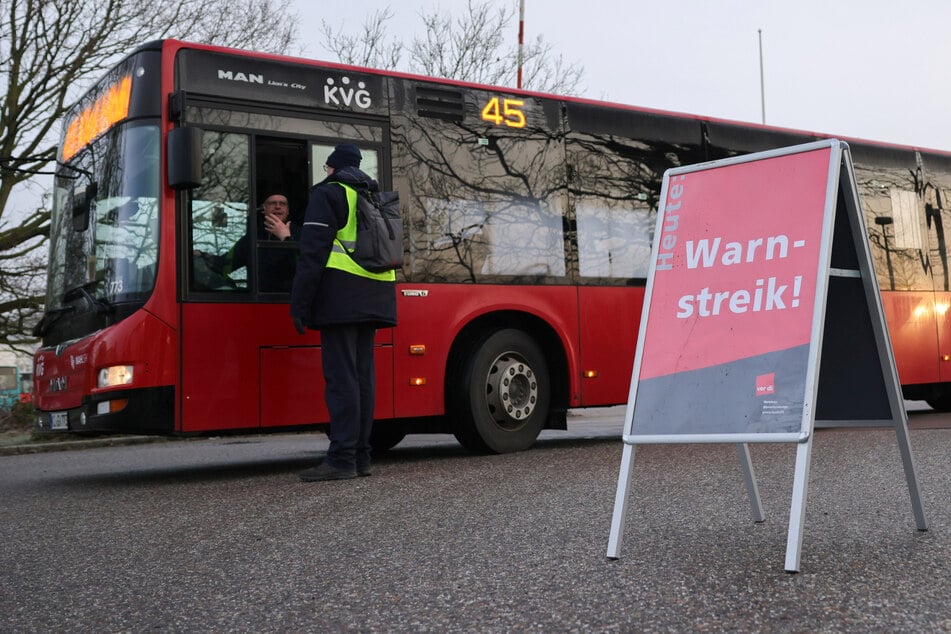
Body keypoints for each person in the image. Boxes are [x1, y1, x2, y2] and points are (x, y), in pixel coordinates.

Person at [291, 144, 397, 482]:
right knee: (363, 377)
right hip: (376, 296)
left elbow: (312, 252)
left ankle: (341, 459)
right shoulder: (373, 195)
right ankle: (361, 456)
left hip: (341, 297)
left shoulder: (330, 193)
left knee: (341, 381)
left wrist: (300, 304)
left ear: (332, 167)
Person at [196, 193, 300, 292]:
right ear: (264, 209)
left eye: (282, 204)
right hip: (258, 302)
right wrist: (202, 255)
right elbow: (225, 264)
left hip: (289, 301)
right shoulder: (253, 236)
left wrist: (286, 238)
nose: (278, 206)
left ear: (287, 211)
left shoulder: (302, 233)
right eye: (272, 203)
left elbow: (305, 267)